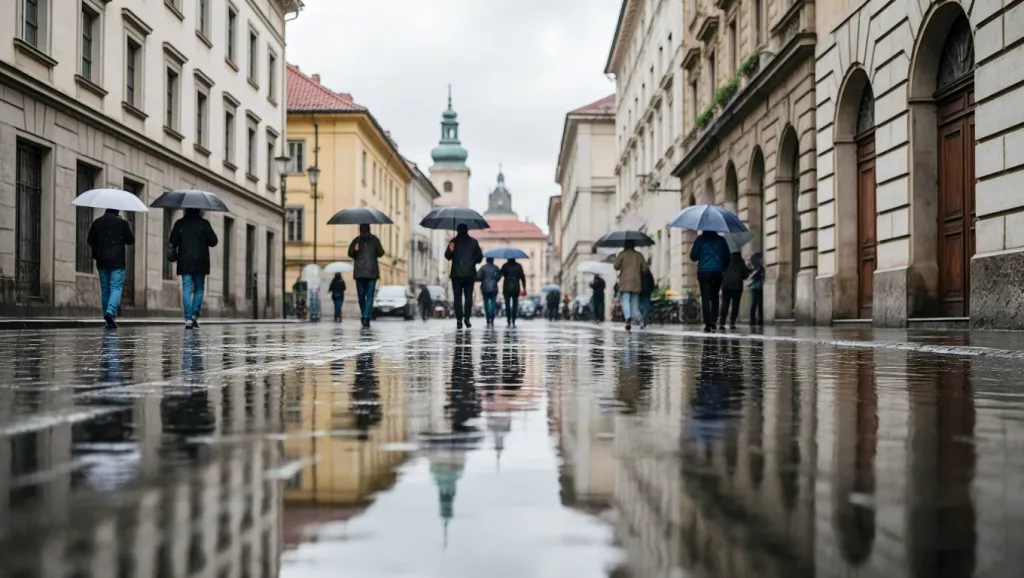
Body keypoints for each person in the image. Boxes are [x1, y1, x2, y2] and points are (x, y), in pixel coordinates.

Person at [169, 208, 218, 329]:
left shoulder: (179, 223)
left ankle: (188, 319)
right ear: (199, 210)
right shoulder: (204, 224)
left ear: (186, 210)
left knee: (186, 288)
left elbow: (172, 241)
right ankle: (195, 314)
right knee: (199, 288)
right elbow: (213, 241)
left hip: (184, 260)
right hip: (200, 261)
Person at [87, 209, 135, 329]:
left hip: (102, 260)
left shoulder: (97, 222)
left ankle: (108, 318)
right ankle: (110, 312)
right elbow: (130, 240)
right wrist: (126, 224)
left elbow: (90, 240)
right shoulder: (122, 223)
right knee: (116, 287)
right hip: (117, 261)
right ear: (117, 211)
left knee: (105, 288)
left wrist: (97, 249)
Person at [689, 230, 731, 332]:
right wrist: (723, 269)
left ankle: (707, 323)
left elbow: (693, 256)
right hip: (717, 272)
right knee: (715, 296)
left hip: (704, 272)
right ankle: (713, 321)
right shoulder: (721, 240)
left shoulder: (700, 239)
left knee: (705, 297)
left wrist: (700, 252)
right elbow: (727, 257)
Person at [445, 224, 483, 329]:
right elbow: (480, 257)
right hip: (470, 274)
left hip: (456, 274)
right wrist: (472, 261)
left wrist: (451, 250)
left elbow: (447, 256)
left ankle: (458, 320)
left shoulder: (453, 242)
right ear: (467, 230)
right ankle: (467, 318)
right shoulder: (474, 242)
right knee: (468, 297)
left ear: (457, 230)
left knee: (457, 297)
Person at [348, 223, 385, 328]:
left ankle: (365, 316)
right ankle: (366, 316)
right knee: (368, 296)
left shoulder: (358, 240)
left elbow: (350, 253)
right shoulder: (371, 240)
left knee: (362, 297)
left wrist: (354, 250)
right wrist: (354, 250)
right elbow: (381, 253)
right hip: (370, 273)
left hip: (362, 273)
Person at [613, 240, 648, 331]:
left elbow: (616, 266)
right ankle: (640, 320)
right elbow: (645, 268)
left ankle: (627, 318)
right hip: (636, 282)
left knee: (625, 300)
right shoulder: (638, 255)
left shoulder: (622, 254)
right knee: (635, 304)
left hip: (625, 282)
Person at [720, 251, 751, 330]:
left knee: (725, 304)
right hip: (737, 286)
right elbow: (744, 275)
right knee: (735, 305)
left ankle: (722, 323)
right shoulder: (740, 260)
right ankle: (732, 323)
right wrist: (748, 269)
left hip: (726, 285)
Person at [499, 258, 527, 327]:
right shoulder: (518, 266)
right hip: (516, 288)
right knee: (515, 304)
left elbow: (499, 275)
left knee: (507, 305)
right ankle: (513, 319)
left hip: (506, 288)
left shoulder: (505, 265)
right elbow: (523, 277)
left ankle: (508, 319)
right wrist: (524, 288)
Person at [477, 257, 501, 326]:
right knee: (493, 303)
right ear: (493, 260)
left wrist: (483, 279)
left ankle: (488, 318)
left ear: (486, 260)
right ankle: (492, 316)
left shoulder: (483, 267)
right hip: (494, 288)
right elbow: (499, 276)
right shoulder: (496, 268)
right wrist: (495, 279)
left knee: (486, 303)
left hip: (485, 288)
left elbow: (478, 277)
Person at [748, 252, 765, 327]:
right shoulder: (757, 267)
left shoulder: (759, 267)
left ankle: (759, 319)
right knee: (755, 304)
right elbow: (752, 275)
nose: (762, 259)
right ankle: (753, 320)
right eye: (761, 258)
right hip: (756, 287)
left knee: (758, 304)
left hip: (758, 287)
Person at [639, 263, 655, 329]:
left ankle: (643, 321)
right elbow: (652, 284)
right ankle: (643, 321)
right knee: (643, 309)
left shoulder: (646, 275)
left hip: (644, 294)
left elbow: (652, 284)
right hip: (642, 294)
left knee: (644, 309)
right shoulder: (643, 274)